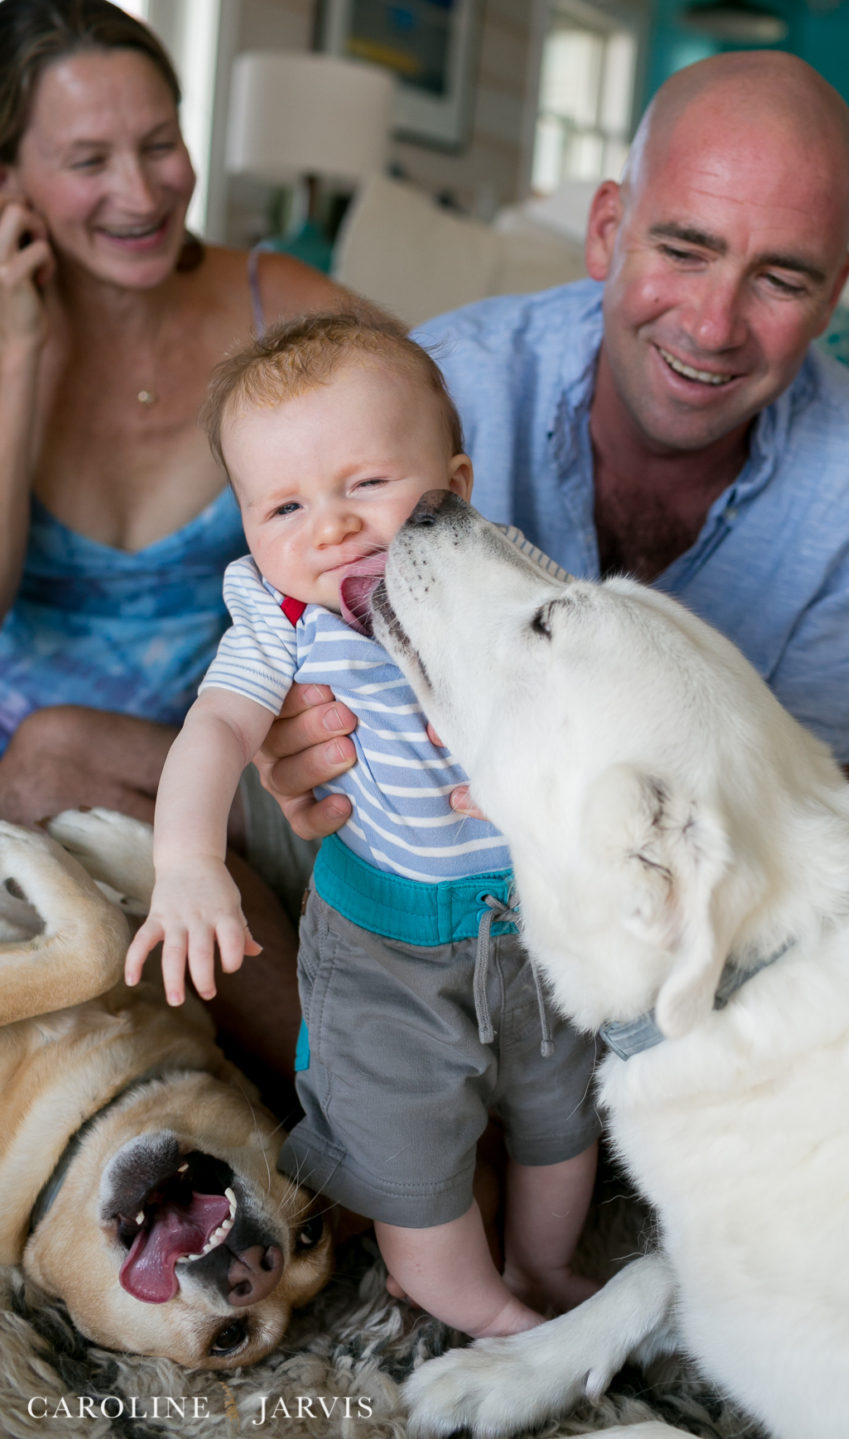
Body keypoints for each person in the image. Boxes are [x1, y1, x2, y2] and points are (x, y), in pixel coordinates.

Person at [252, 50, 849, 855]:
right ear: (606, 231)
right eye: (685, 251)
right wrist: (298, 738)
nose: (712, 326)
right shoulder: (442, 386)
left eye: (782, 280)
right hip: (411, 857)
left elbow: (810, 814)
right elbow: (294, 622)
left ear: (832, 296)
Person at [124, 308, 601, 1339]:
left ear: (456, 491)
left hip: (538, 923)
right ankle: (467, 1298)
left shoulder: (505, 575)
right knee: (403, 1139)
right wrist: (186, 862)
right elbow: (211, 730)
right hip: (383, 950)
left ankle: (546, 1266)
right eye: (282, 505)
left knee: (559, 1115)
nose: (328, 529)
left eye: (367, 485)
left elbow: (592, 691)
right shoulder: (280, 618)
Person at [0, 0, 351, 1087]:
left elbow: (422, 476)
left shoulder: (271, 307)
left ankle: (365, 1115)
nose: (142, 191)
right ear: (7, 180)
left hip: (226, 762)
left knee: (67, 756)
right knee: (46, 769)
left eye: (161, 144)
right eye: (89, 159)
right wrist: (16, 354)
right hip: (24, 788)